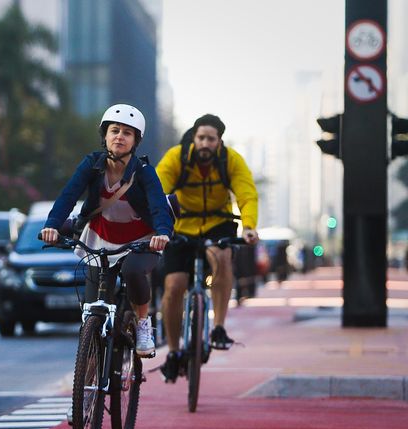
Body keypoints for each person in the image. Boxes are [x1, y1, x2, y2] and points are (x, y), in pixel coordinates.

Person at [41, 104, 175, 357]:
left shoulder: (144, 172)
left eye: (127, 132)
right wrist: (52, 225)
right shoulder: (92, 165)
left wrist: (162, 233)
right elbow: (68, 195)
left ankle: (144, 325)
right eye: (115, 130)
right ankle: (91, 363)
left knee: (133, 271)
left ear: (135, 141)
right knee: (92, 307)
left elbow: (158, 204)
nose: (120, 136)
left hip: (140, 241)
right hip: (100, 238)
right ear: (105, 136)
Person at [155, 114, 259, 382]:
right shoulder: (176, 158)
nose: (204, 143)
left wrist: (248, 226)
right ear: (194, 137)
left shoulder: (231, 160)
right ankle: (175, 351)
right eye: (200, 137)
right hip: (181, 226)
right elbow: (156, 191)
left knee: (222, 257)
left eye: (210, 139)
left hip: (219, 223)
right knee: (174, 286)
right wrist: (155, 226)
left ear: (219, 142)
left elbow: (246, 194)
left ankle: (219, 328)